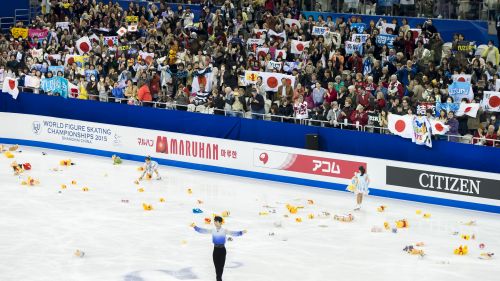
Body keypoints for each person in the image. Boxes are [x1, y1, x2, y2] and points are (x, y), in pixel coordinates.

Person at [192, 216, 247, 281]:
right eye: (214, 221)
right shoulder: (213, 230)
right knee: (217, 268)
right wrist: (195, 227)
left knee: (220, 268)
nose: (215, 222)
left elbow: (233, 233)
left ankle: (219, 279)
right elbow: (203, 231)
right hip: (215, 250)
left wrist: (241, 232)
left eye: (216, 221)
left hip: (222, 250)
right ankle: (218, 279)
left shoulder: (224, 231)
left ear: (220, 223)